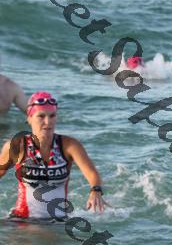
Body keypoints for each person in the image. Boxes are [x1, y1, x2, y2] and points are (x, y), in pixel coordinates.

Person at [0, 91, 108, 221]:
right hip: (22, 221)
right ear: (29, 118)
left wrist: (96, 190)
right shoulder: (17, 146)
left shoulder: (69, 145)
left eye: (52, 116)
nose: (48, 121)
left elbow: (92, 174)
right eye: (41, 116)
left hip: (58, 221)